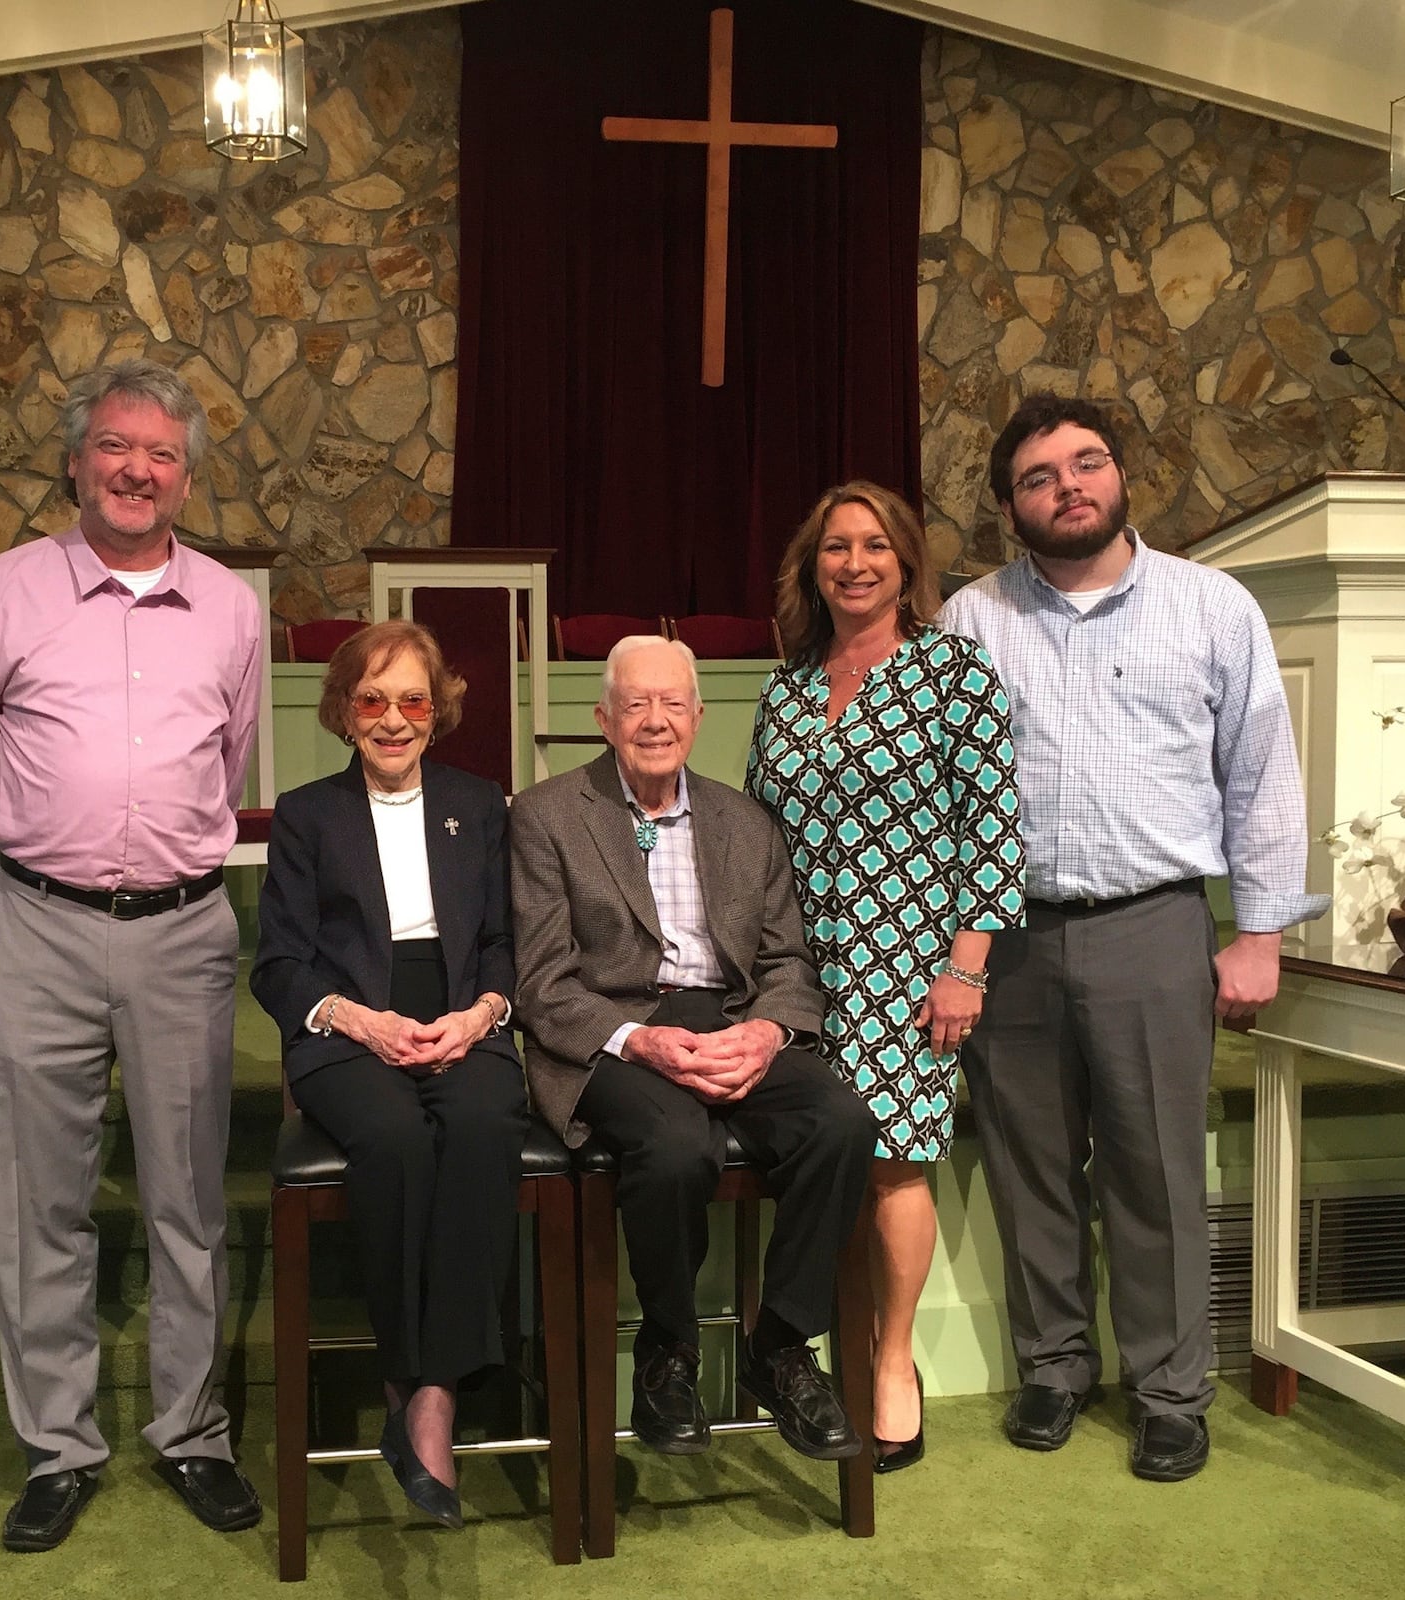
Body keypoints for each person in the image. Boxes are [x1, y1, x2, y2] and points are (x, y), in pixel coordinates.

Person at [938, 393, 1327, 1483]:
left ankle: (1168, 1390)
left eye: (1086, 463)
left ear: (1119, 477)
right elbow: (950, 796)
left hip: (1155, 924)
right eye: (1039, 476)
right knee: (1030, 1170)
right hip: (1007, 936)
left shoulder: (1212, 607)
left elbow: (1259, 776)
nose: (1068, 485)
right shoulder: (974, 619)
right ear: (1011, 507)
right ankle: (1054, 1368)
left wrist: (1258, 929)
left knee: (1155, 1170)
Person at [0, 360, 264, 1551]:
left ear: (186, 476)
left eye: (162, 454)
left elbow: (228, 768)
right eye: (117, 447)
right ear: (76, 458)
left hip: (184, 933)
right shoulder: (0, 591)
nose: (137, 469)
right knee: (44, 1203)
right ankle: (61, 1449)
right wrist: (51, 875)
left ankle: (191, 1432)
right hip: (39, 928)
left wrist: (149, 865)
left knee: (187, 1198)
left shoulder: (233, 606)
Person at [510, 636, 878, 1463]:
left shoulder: (746, 822)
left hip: (731, 1017)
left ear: (699, 717)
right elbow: (541, 981)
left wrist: (768, 1031)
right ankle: (667, 1349)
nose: (655, 720)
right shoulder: (546, 816)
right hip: (612, 1030)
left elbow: (787, 960)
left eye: (673, 702)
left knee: (842, 1125)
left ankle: (779, 1348)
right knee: (676, 1146)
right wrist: (641, 1041)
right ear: (604, 718)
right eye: (636, 703)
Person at [747, 482, 1025, 1473]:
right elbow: (751, 832)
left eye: (874, 546)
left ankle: (891, 1357)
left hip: (909, 961)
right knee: (820, 1157)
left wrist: (966, 971)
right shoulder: (785, 687)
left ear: (905, 561)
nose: (854, 563)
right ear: (810, 565)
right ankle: (804, 1350)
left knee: (891, 1157)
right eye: (835, 548)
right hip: (795, 965)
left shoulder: (951, 670)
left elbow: (994, 833)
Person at [250, 620, 527, 1531]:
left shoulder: (480, 803)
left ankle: (433, 1395)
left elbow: (501, 945)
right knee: (398, 1136)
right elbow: (280, 965)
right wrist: (359, 1020)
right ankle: (411, 1382)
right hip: (345, 1021)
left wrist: (481, 1015)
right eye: (373, 700)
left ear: (438, 709)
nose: (394, 719)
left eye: (413, 699)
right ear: (343, 711)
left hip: (459, 1011)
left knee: (485, 1124)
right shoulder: (306, 814)